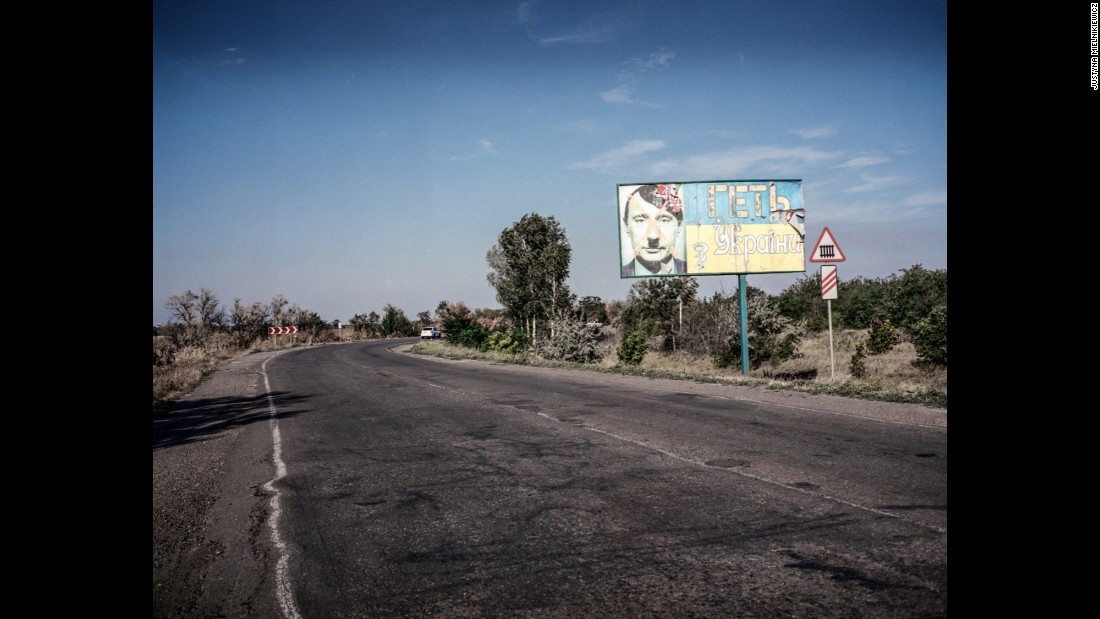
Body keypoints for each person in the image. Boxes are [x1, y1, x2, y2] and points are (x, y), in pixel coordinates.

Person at [621, 183, 687, 276]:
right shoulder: (623, 273)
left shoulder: (690, 270)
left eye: (664, 220)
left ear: (679, 226)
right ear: (626, 226)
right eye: (640, 221)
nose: (653, 236)